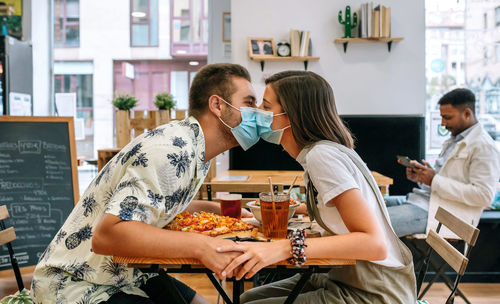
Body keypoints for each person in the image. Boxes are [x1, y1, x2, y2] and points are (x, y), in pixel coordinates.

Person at [30, 63, 261, 304]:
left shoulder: (192, 147)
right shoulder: (171, 151)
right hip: (77, 284)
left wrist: (218, 212)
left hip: (129, 275)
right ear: (217, 105)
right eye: (250, 102)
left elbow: (158, 204)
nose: (258, 113)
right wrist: (201, 246)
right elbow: (107, 235)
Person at [217, 71, 417, 304]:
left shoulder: (322, 156)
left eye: (266, 105)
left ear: (291, 115)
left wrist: (284, 248)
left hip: (373, 292)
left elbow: (374, 243)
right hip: (349, 278)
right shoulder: (322, 152)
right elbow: (335, 210)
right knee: (247, 298)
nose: (259, 111)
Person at [386, 88, 500, 237]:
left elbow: (484, 196)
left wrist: (433, 180)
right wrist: (422, 178)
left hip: (437, 213)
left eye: (447, 117)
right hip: (419, 201)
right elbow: (443, 181)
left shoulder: (484, 147)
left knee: (370, 223)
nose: (443, 123)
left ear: (467, 113)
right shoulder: (455, 141)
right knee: (367, 204)